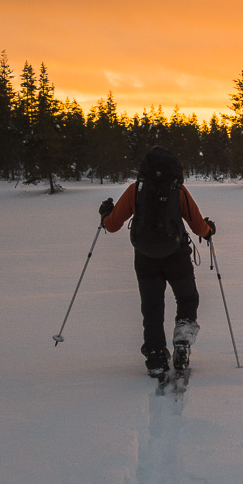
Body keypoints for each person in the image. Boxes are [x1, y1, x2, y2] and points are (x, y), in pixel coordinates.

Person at [99, 146, 216, 380]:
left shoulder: (135, 190)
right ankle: (182, 341)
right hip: (176, 256)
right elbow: (197, 226)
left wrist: (105, 214)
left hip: (145, 258)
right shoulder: (178, 191)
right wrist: (209, 229)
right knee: (187, 298)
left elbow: (111, 225)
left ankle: (155, 358)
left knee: (152, 308)